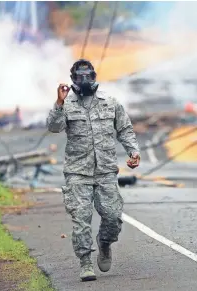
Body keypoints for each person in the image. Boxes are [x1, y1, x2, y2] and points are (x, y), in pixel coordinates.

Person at [46, 59, 141, 281]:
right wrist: (59, 104)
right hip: (77, 172)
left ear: (95, 76)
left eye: (88, 75)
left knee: (113, 217)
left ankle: (105, 243)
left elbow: (125, 129)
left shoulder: (110, 102)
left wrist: (133, 152)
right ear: (73, 79)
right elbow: (53, 127)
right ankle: (86, 262)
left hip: (106, 171)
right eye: (80, 76)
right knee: (81, 219)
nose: (85, 80)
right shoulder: (67, 105)